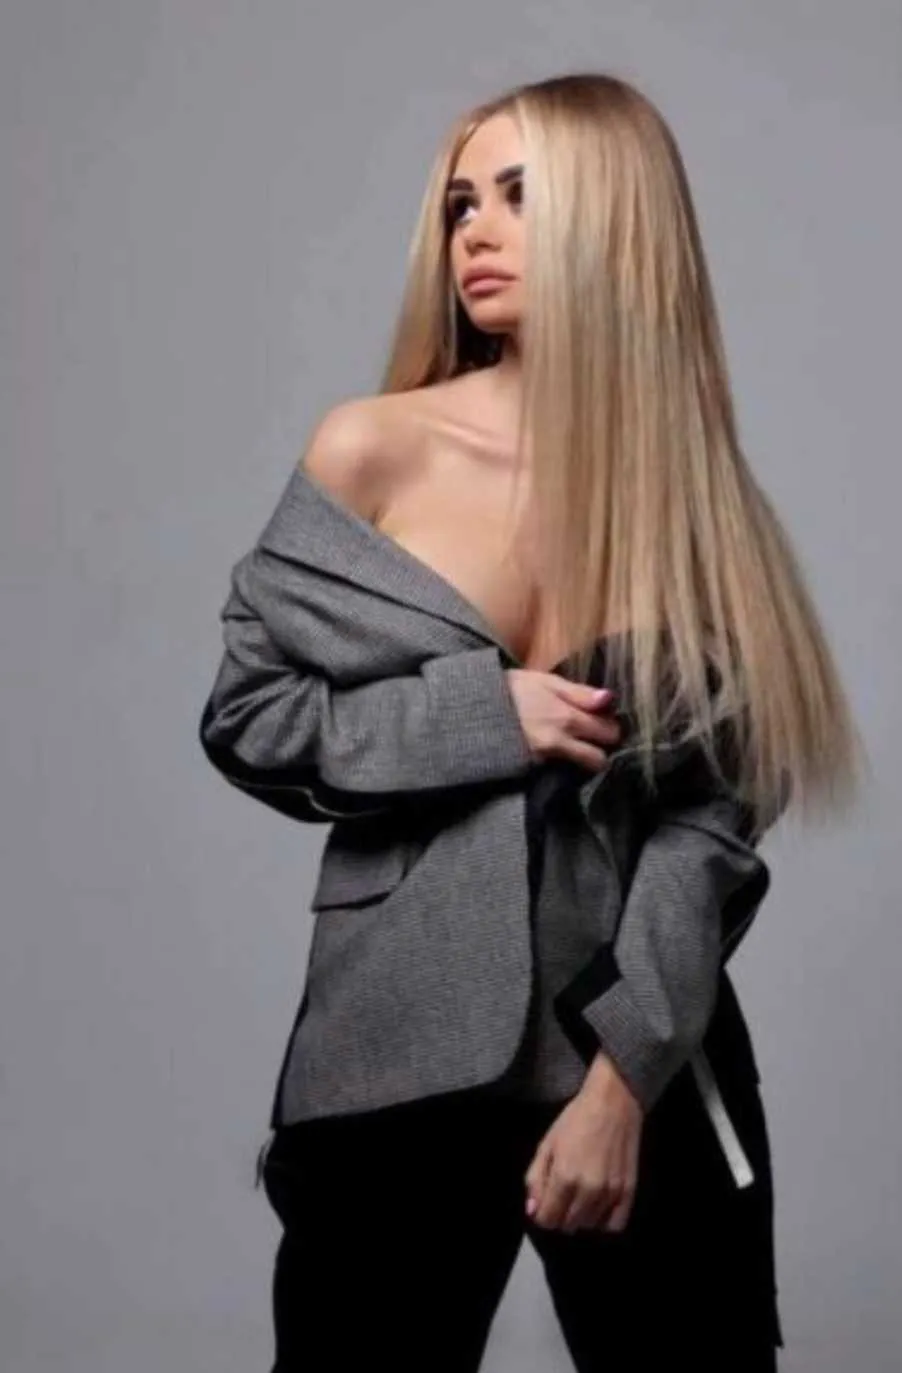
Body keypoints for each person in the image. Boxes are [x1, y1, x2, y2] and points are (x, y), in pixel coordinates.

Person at [198, 71, 865, 1372]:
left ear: (617, 220)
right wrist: (480, 715)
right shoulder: (370, 450)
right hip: (389, 1052)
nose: (475, 234)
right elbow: (250, 716)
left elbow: (709, 832)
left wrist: (622, 1084)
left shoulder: (694, 497)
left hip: (649, 1061)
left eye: (518, 196)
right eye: (460, 203)